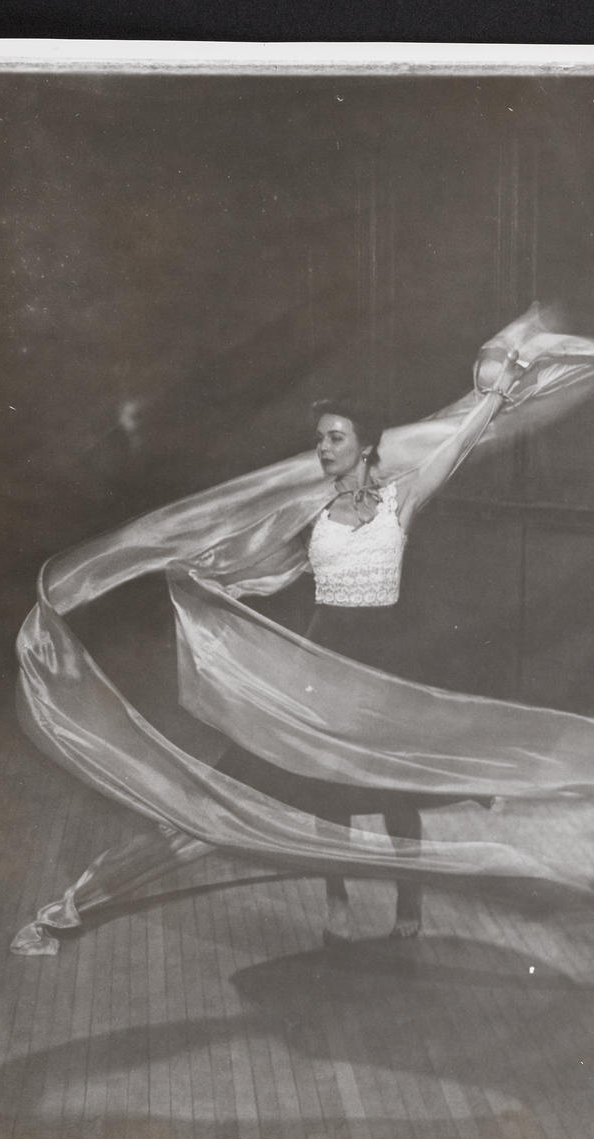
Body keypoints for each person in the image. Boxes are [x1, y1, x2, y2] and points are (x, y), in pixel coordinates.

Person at [216, 351, 525, 941]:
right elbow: (262, 560)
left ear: (364, 446)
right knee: (329, 789)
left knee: (394, 790)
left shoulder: (397, 502)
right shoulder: (310, 511)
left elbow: (456, 447)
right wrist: (217, 581)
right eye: (320, 439)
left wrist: (495, 396)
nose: (325, 448)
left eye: (335, 437)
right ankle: (337, 899)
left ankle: (409, 904)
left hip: (384, 656)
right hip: (324, 656)